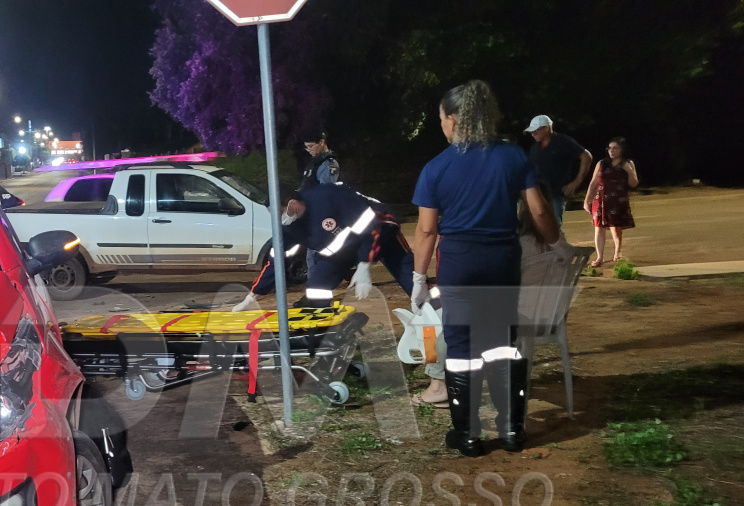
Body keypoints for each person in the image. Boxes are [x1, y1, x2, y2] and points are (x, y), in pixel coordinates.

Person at [412, 80, 560, 457]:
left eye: (442, 119)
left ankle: (468, 436)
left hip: (460, 266)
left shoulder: (436, 167)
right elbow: (539, 209)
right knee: (501, 345)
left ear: (455, 118)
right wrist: (556, 245)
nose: (442, 127)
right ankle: (512, 431)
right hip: (502, 262)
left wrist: (417, 277)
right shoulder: (512, 157)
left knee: (461, 347)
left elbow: (427, 230)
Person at [231, 180, 415, 311]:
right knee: (316, 287)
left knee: (411, 279)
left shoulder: (329, 196)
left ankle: (431, 315)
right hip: (343, 250)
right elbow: (276, 260)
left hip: (380, 230)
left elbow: (370, 228)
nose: (280, 219)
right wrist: (253, 296)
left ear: (293, 204)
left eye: (281, 213)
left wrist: (364, 265)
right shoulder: (290, 228)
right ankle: (321, 335)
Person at [525, 115, 592, 226]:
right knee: (537, 227)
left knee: (554, 226)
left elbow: (586, 156)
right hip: (538, 194)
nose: (533, 134)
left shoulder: (562, 141)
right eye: (532, 131)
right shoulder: (535, 148)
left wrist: (577, 181)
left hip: (555, 194)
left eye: (536, 130)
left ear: (546, 128)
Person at [289, 129, 340, 277]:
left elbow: (326, 192)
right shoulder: (315, 162)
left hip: (319, 215)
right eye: (306, 147)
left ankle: (317, 290)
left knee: (315, 255)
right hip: (310, 214)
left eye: (311, 146)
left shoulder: (329, 164)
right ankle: (315, 289)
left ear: (322, 142)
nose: (308, 150)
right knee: (311, 255)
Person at [583, 137, 639, 266]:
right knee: (599, 227)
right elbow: (593, 182)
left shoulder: (627, 163)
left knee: (616, 226)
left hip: (618, 200)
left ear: (622, 149)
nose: (612, 151)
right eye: (610, 148)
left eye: (615, 148)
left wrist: (629, 171)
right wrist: (587, 200)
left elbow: (634, 183)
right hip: (601, 199)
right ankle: (599, 257)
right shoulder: (602, 163)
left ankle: (617, 253)